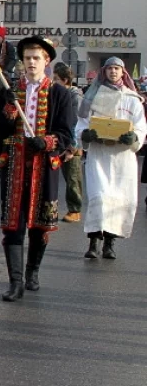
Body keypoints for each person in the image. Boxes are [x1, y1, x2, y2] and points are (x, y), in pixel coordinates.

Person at [0, 36, 75, 301]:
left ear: (46, 61)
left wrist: (47, 141)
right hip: (15, 164)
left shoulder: (60, 94)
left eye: (36, 58)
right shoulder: (11, 92)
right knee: (13, 224)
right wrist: (7, 108)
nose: (30, 62)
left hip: (43, 165)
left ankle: (32, 272)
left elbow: (66, 133)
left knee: (40, 223)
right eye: (27, 58)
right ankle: (15, 282)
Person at [76, 57, 147, 259]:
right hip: (99, 155)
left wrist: (134, 137)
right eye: (110, 69)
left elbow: (141, 126)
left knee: (118, 200)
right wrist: (85, 135)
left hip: (122, 159)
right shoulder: (92, 97)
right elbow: (81, 124)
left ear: (122, 72)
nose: (113, 72)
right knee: (99, 197)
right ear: (104, 71)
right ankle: (93, 242)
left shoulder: (132, 99)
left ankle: (109, 243)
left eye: (117, 69)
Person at [52, 63, 84, 223]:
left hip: (72, 144)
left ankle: (75, 210)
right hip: (61, 142)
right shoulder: (59, 94)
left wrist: (72, 147)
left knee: (72, 178)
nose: (53, 81)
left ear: (65, 80)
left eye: (56, 79)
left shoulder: (74, 96)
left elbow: (75, 122)